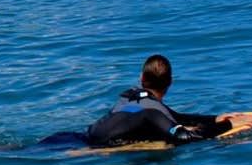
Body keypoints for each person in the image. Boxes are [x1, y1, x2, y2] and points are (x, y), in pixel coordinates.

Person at [82, 55, 241, 147]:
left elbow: (177, 117)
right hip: (93, 147)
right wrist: (228, 125)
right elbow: (185, 137)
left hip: (79, 137)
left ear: (141, 78)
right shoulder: (153, 112)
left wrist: (215, 118)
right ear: (170, 82)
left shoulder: (129, 96)